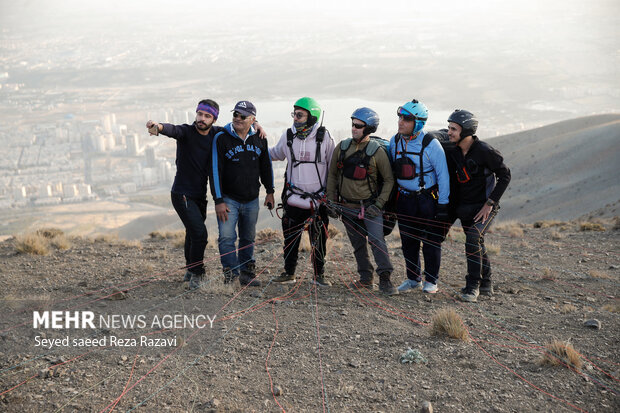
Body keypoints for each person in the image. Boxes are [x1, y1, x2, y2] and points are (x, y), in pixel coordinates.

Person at [145, 99, 220, 290]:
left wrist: (255, 125)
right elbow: (172, 129)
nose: (201, 119)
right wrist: (158, 126)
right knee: (200, 234)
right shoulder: (187, 132)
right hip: (181, 194)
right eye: (199, 114)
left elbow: (236, 128)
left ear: (214, 119)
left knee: (192, 234)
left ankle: (190, 269)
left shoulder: (216, 134)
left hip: (199, 195)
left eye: (207, 116)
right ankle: (197, 273)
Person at [326, 107, 398, 295]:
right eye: (353, 124)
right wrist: (331, 201)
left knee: (377, 241)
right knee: (358, 244)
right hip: (347, 207)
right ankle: (366, 278)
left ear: (369, 129)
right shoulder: (342, 148)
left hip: (370, 207)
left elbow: (389, 180)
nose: (354, 128)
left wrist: (379, 204)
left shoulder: (377, 153)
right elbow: (332, 175)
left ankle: (385, 279)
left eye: (358, 126)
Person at [445, 109, 511, 302]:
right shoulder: (453, 150)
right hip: (464, 207)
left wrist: (490, 203)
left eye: (453, 129)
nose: (449, 132)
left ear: (466, 131)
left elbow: (505, 175)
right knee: (477, 242)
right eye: (449, 128)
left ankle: (472, 286)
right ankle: (487, 283)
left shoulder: (484, 151)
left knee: (473, 238)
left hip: (485, 207)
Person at [269, 97, 335, 286]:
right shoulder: (288, 136)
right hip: (293, 199)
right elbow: (275, 154)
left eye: (300, 115)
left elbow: (332, 168)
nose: (295, 119)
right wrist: (254, 146)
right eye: (294, 114)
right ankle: (289, 273)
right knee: (290, 239)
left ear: (312, 117)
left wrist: (331, 196)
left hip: (318, 201)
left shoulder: (325, 138)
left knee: (319, 240)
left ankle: (318, 275)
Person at [210, 100, 275, 287]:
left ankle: (247, 273)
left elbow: (266, 166)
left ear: (253, 119)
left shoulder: (260, 138)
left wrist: (270, 191)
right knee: (227, 237)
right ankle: (231, 275)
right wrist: (219, 200)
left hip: (252, 199)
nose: (238, 118)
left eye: (243, 116)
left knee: (248, 238)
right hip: (229, 199)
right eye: (235, 115)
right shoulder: (221, 138)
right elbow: (215, 170)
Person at [388, 99, 450, 294]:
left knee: (431, 241)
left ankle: (431, 281)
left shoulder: (431, 145)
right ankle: (413, 279)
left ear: (419, 123)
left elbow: (443, 176)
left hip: (427, 200)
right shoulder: (394, 141)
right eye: (400, 117)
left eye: (406, 119)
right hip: (404, 199)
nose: (400, 122)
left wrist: (443, 205)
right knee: (408, 240)